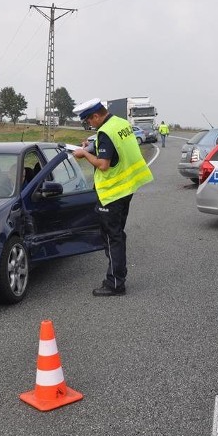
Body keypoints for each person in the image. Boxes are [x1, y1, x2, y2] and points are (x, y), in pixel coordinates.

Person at [72, 98, 154, 296]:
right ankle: (118, 277)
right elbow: (118, 149)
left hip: (112, 193)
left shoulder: (105, 132)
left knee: (112, 237)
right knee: (117, 234)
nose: (89, 125)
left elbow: (103, 164)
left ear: (96, 116)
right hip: (127, 188)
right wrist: (92, 146)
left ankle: (115, 283)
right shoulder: (121, 123)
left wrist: (84, 153)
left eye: (89, 121)